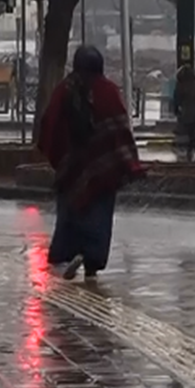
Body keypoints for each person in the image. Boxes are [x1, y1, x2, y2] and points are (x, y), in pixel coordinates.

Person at [39, 45, 145, 281]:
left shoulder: (63, 90)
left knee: (70, 213)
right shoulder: (107, 91)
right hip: (102, 171)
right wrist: (129, 163)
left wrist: (59, 156)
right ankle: (91, 263)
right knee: (99, 216)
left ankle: (70, 252)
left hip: (71, 169)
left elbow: (49, 125)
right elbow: (120, 129)